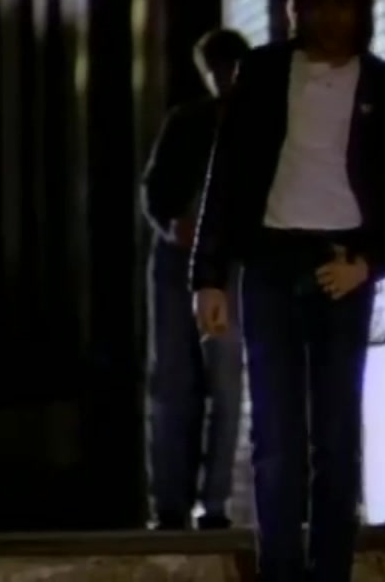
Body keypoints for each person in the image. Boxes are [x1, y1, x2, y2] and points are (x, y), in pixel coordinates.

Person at [190, 0, 385, 580]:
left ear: (362, 11)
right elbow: (227, 176)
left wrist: (369, 263)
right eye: (317, 4)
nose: (330, 18)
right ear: (296, 9)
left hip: (342, 267)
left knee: (335, 434)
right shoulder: (263, 72)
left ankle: (329, 572)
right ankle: (280, 571)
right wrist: (208, 278)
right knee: (276, 437)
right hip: (270, 263)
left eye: (343, 4)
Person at [140, 28, 250, 531]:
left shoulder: (255, 124)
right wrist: (173, 225)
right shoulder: (187, 121)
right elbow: (154, 189)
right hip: (180, 262)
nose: (221, 79)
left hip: (224, 264)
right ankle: (174, 503)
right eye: (216, 70)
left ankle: (211, 502)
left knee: (220, 383)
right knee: (175, 383)